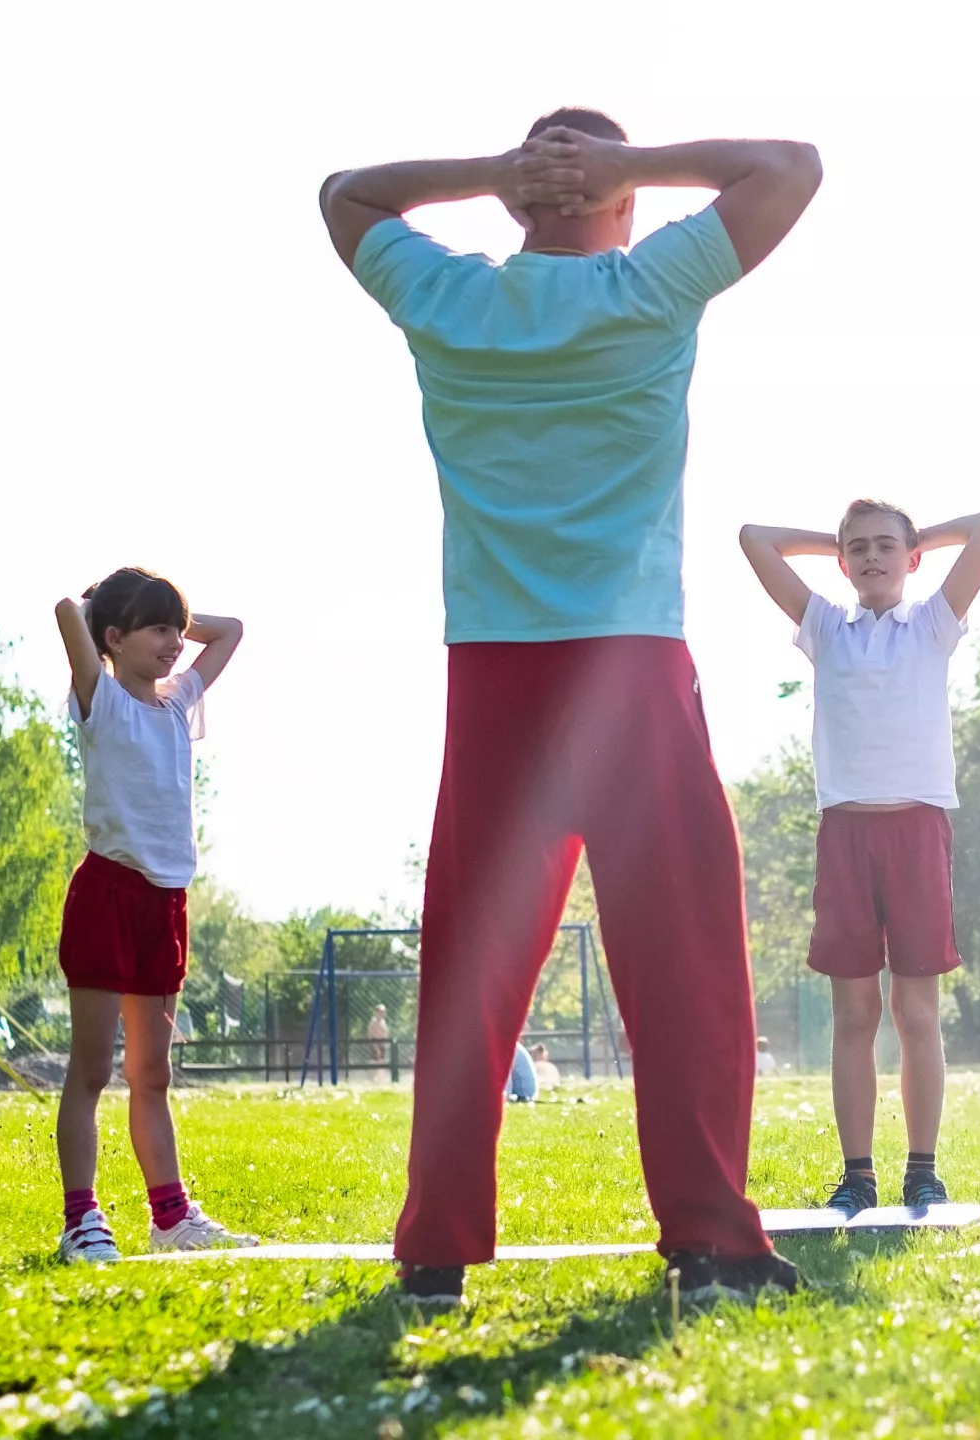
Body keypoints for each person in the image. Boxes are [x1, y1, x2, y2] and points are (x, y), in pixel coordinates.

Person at [321, 107, 822, 1307]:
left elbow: (346, 192)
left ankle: (435, 1246)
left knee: (471, 961)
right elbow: (791, 168)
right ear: (622, 201)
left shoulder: (452, 299)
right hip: (628, 663)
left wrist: (496, 174)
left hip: (495, 664)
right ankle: (708, 1234)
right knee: (685, 954)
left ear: (514, 204)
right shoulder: (652, 284)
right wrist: (626, 167)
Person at [738, 502, 980, 1213]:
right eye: (857, 549)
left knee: (915, 1010)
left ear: (913, 558)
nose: (871, 558)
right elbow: (753, 538)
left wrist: (914, 539)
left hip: (917, 831)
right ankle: (857, 1175)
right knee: (853, 1013)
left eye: (887, 547)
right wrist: (835, 544)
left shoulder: (932, 623)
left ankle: (923, 1169)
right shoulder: (827, 626)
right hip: (845, 834)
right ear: (841, 561)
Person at [51, 568, 256, 1263]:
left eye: (176, 630)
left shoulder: (177, 704)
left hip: (166, 903)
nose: (175, 643)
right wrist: (104, 608)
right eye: (158, 629)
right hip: (108, 894)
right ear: (114, 637)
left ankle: (169, 1217)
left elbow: (230, 633)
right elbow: (65, 611)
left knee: (153, 1074)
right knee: (89, 1072)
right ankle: (81, 1220)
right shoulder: (100, 700)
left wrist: (175, 612)